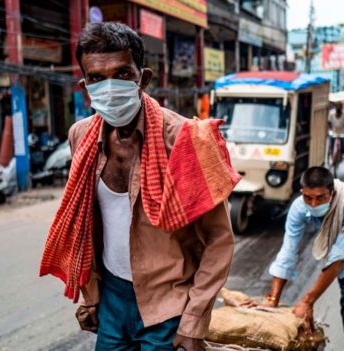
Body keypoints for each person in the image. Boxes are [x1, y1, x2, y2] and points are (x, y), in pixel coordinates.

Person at [39, 22, 238, 351]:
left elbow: (219, 240)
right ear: (84, 85)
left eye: (121, 74)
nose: (110, 87)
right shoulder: (82, 136)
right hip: (113, 300)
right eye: (97, 79)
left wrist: (193, 322)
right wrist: (91, 296)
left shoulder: (185, 141)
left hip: (169, 303)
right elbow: (86, 225)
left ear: (143, 78)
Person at [246, 167, 344, 351]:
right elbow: (288, 251)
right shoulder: (298, 208)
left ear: (332, 193)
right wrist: (273, 298)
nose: (313, 204)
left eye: (320, 198)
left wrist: (307, 301)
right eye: (308, 197)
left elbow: (338, 257)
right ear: (302, 192)